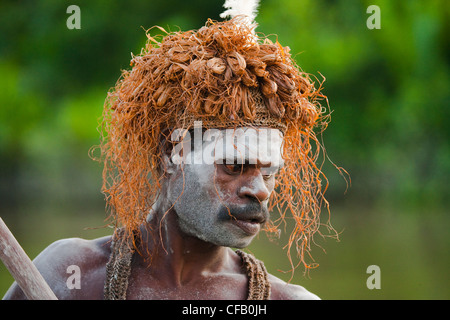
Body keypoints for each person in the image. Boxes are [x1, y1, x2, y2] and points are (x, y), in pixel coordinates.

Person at [4, 1, 336, 300]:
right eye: (234, 167)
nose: (259, 190)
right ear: (173, 152)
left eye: (269, 172)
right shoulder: (69, 276)